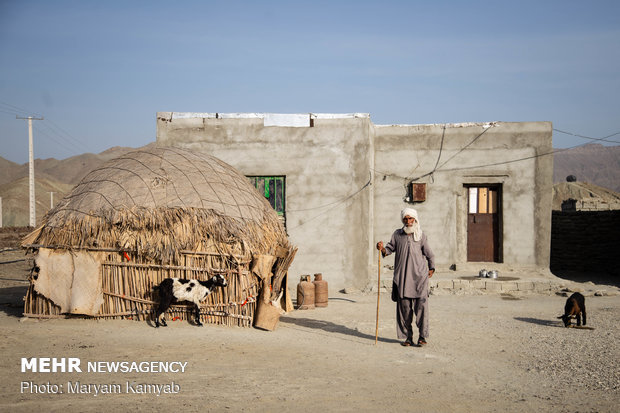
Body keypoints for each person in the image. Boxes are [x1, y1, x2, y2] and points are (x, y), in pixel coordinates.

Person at [376, 208, 435, 347]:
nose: (408, 222)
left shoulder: (421, 236)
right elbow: (389, 249)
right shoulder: (397, 234)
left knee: (421, 308)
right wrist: (382, 248)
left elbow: (430, 254)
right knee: (405, 310)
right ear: (403, 220)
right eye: (406, 219)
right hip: (402, 278)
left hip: (419, 278)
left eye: (411, 219)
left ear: (415, 219)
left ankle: (422, 337)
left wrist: (432, 268)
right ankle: (408, 337)